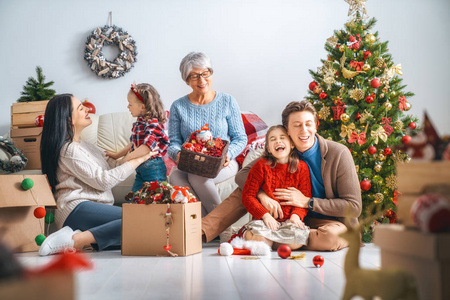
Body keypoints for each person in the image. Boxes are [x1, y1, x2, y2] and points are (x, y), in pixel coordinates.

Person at [202, 100, 362, 251]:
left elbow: (354, 207)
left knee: (334, 237)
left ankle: (262, 238)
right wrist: (263, 195)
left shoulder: (339, 153)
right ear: (287, 130)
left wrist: (308, 202)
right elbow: (242, 175)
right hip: (283, 217)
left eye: (308, 124)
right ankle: (200, 232)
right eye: (297, 125)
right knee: (248, 187)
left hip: (325, 221)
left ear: (316, 126)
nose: (304, 130)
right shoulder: (282, 151)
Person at [38, 94, 155, 256]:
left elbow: (114, 166)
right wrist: (139, 160)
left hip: (93, 210)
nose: (87, 109)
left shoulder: (87, 146)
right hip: (77, 209)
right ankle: (76, 239)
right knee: (142, 219)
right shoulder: (68, 150)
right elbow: (104, 181)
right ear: (68, 120)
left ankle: (86, 238)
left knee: (148, 230)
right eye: (80, 108)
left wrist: (138, 146)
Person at [167, 52, 247, 217]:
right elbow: (173, 142)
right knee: (175, 176)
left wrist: (229, 154)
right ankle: (202, 227)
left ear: (211, 73)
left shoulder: (227, 101)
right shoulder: (178, 106)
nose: (202, 81)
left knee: (197, 177)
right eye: (195, 76)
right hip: (191, 162)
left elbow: (240, 138)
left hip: (222, 162)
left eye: (205, 74)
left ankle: (219, 225)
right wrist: (178, 154)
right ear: (187, 80)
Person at [241, 125, 311, 250]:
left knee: (297, 242)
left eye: (282, 138)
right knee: (262, 241)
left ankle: (272, 241)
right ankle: (245, 233)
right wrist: (265, 215)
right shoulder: (261, 166)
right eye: (273, 139)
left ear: (292, 144)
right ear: (268, 148)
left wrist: (296, 216)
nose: (278, 141)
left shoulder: (302, 167)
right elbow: (248, 196)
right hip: (264, 220)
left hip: (288, 221)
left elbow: (305, 198)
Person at [105, 83, 170, 192]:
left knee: (156, 198)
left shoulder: (152, 124)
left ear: (142, 106)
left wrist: (126, 159)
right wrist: (116, 156)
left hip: (153, 168)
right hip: (141, 167)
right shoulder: (141, 121)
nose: (128, 107)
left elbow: (146, 148)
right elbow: (132, 143)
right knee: (135, 198)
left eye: (130, 104)